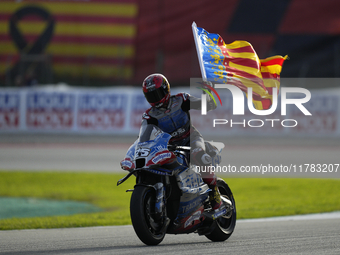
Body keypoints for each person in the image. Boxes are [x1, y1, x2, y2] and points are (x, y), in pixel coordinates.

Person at [141, 73, 223, 211]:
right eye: (151, 96)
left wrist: (208, 94)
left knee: (199, 155)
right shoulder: (150, 115)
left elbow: (210, 105)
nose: (156, 99)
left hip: (191, 139)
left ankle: (214, 191)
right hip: (170, 146)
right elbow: (144, 137)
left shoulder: (181, 99)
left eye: (158, 93)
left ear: (166, 89)